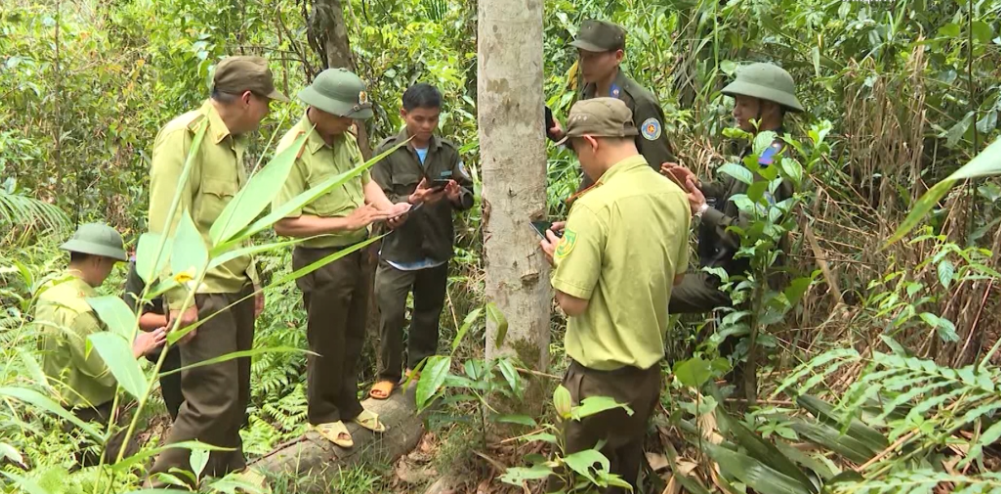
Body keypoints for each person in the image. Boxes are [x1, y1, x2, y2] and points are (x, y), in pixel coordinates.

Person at [146, 55, 284, 490]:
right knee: (211, 399)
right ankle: (162, 484)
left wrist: (254, 280)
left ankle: (227, 475)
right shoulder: (184, 137)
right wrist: (178, 298)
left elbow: (236, 221)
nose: (267, 112)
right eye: (265, 103)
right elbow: (166, 222)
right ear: (246, 99)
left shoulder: (237, 143)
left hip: (235, 287)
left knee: (235, 395)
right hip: (202, 291)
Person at [539, 98, 690, 492]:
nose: (578, 161)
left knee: (580, 481)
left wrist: (562, 261)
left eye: (575, 150)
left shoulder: (593, 206)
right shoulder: (672, 195)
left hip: (596, 382)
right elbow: (673, 278)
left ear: (591, 142)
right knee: (622, 479)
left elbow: (573, 302)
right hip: (645, 380)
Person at [272, 68, 411, 449]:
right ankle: (322, 412)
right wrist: (344, 221)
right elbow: (283, 222)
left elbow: (364, 180)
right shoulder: (295, 149)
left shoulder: (344, 138)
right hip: (322, 258)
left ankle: (349, 403)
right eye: (344, 115)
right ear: (319, 107)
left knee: (353, 333)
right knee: (326, 338)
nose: (350, 123)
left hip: (357, 251)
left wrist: (387, 208)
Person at [663, 62, 803, 315]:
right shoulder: (759, 148)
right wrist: (697, 186)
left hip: (740, 287)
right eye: (736, 103)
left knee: (649, 290)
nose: (736, 111)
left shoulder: (771, 157)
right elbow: (731, 197)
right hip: (725, 275)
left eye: (744, 104)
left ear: (769, 106)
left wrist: (702, 210)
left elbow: (750, 235)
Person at [368, 83, 474, 400]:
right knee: (391, 313)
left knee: (428, 314)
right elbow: (378, 199)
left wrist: (457, 196)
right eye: (419, 119)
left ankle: (421, 371)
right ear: (404, 115)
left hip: (435, 250)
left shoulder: (449, 151)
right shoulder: (386, 152)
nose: (426, 126)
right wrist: (410, 201)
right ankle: (388, 374)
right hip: (398, 250)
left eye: (432, 119)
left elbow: (468, 194)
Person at [38, 223, 165, 466]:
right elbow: (105, 372)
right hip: (88, 414)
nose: (109, 273)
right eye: (110, 265)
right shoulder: (80, 310)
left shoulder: (49, 292)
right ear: (97, 260)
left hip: (60, 408)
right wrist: (138, 347)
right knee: (136, 472)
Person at [549, 19, 677, 190]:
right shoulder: (588, 92)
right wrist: (562, 136)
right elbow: (595, 146)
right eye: (581, 55)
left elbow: (660, 167)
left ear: (618, 57)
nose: (584, 64)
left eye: (592, 57)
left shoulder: (639, 103)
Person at [122, 255, 183, 421]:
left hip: (213, 346)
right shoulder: (145, 262)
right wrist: (178, 320)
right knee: (181, 417)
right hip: (172, 355)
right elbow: (138, 317)